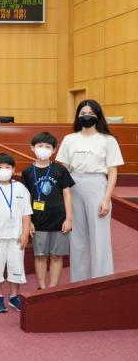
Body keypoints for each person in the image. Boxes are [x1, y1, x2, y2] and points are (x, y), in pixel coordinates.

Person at [57, 100, 124, 281]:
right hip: (74, 185)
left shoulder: (108, 140)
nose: (86, 116)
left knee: (99, 236)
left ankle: (102, 279)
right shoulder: (69, 139)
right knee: (77, 237)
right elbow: (63, 168)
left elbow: (112, 171)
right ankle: (79, 280)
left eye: (91, 113)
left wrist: (106, 199)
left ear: (98, 115)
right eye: (83, 113)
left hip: (97, 185)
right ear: (77, 116)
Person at [21, 132, 75, 289]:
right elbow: (24, 199)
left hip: (60, 221)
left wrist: (69, 219)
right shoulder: (27, 172)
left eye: (47, 146)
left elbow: (67, 194)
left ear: (54, 150)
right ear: (32, 148)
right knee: (40, 256)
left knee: (57, 256)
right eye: (40, 146)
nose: (43, 149)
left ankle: (53, 287)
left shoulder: (60, 170)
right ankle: (42, 286)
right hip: (38, 221)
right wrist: (29, 222)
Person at [0, 153, 32, 313]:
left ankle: (14, 296)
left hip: (17, 237)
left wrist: (25, 234)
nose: (3, 170)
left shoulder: (20, 188)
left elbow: (26, 213)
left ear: (13, 169)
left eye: (7, 167)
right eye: (0, 167)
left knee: (16, 266)